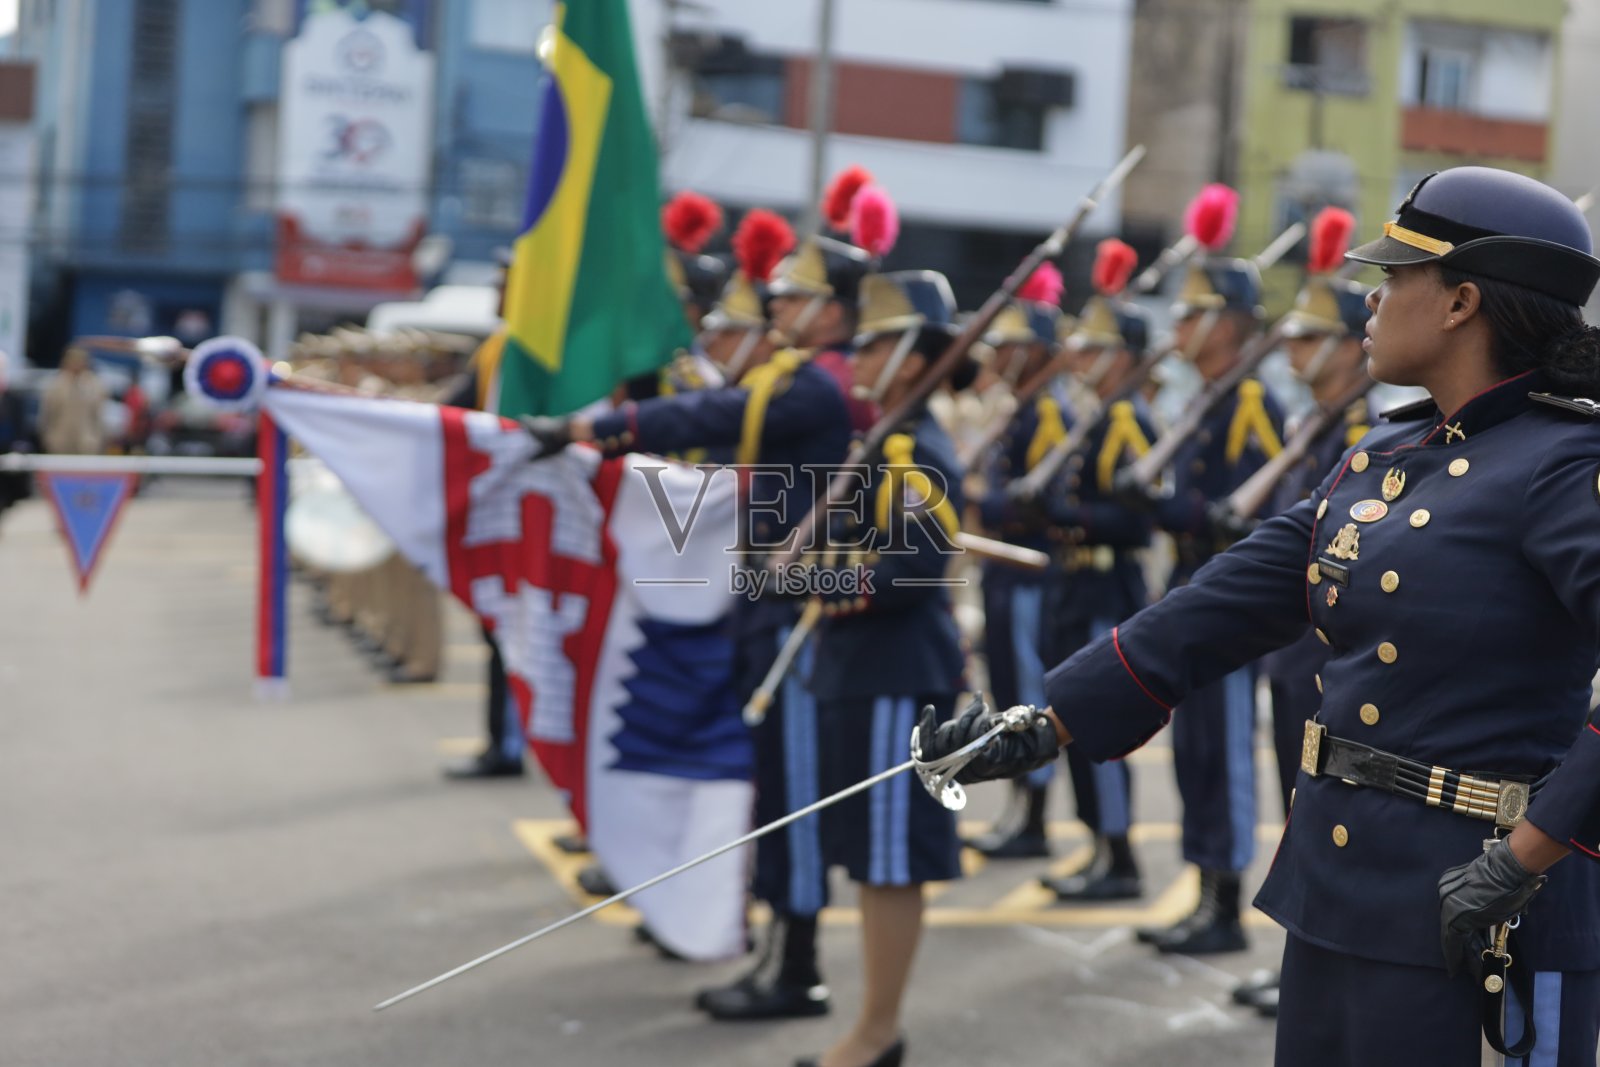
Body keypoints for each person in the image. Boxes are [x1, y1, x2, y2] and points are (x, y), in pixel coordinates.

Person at [919, 165, 1600, 1066]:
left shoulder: (1564, 465)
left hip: (1482, 906)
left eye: (1394, 277)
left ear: (1460, 302)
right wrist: (1047, 722)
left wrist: (1527, 854)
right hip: (1337, 888)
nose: (1370, 299)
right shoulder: (1386, 453)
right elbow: (1221, 603)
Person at [523, 232, 866, 1021]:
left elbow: (715, 411)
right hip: (767, 601)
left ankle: (797, 965)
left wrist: (593, 428)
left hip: (801, 616)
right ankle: (773, 946)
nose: (777, 303)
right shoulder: (804, 376)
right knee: (767, 783)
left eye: (795, 294)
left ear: (834, 311)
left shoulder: (820, 387)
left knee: (790, 792)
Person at [800, 269, 968, 1067]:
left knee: (891, 857)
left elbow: (914, 570)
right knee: (870, 857)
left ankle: (877, 1032)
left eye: (874, 343)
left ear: (912, 359)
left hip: (895, 675)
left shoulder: (913, 449)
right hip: (862, 670)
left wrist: (815, 576)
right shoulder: (878, 441)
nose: (857, 354)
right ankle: (872, 1027)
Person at [1232, 217, 1374, 1015]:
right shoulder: (1314, 424)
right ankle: (1297, 960)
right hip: (1289, 649)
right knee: (1294, 806)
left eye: (1312, 337)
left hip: (1323, 655)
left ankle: (1310, 965)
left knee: (1320, 813)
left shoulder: (1363, 433)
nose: (1294, 348)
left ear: (1350, 346)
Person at [1132, 253, 1285, 954]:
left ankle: (1224, 904)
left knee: (1223, 750)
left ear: (1227, 324)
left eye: (1194, 312)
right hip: (1193, 583)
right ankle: (1201, 891)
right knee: (1192, 750)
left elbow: (1265, 513)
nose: (1181, 324)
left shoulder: (1250, 403)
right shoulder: (1208, 397)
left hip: (1232, 597)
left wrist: (1176, 510)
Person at [1038, 241, 1159, 902]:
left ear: (1123, 357)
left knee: (1101, 722)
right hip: (1076, 585)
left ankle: (1120, 855)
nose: (1081, 359)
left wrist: (1070, 516)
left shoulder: (1129, 420)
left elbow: (1138, 518)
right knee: (1076, 721)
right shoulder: (1098, 415)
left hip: (1108, 587)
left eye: (1095, 350)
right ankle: (1097, 845)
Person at [965, 298, 1066, 860]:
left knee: (1027, 697)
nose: (998, 355)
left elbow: (1041, 503)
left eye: (1009, 345)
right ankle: (1020, 805)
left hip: (1030, 572)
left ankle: (1035, 817)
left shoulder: (1047, 413)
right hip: (1004, 571)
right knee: (1006, 692)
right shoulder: (1018, 409)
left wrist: (979, 499)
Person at [40, 347, 108, 456]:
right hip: (60, 441)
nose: (76, 364)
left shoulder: (95, 385)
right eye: (73, 360)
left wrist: (99, 439)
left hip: (87, 443)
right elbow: (47, 415)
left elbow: (100, 416)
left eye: (80, 360)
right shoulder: (55, 384)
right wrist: (48, 438)